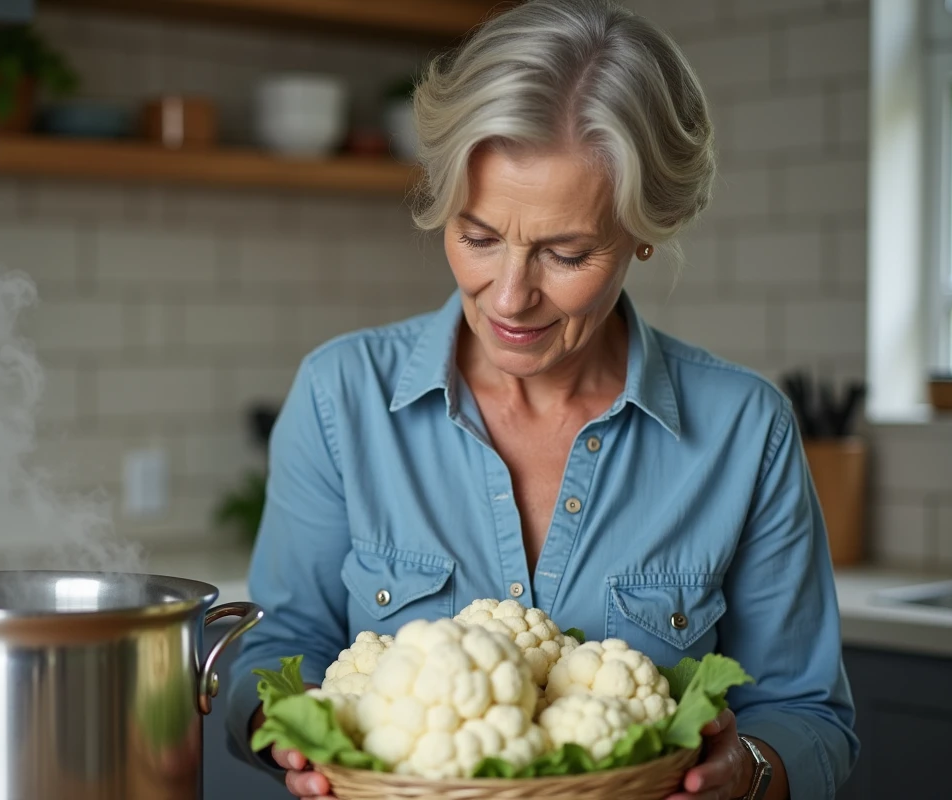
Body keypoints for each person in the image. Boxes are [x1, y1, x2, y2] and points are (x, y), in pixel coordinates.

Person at [224, 1, 859, 798]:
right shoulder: (339, 396)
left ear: (644, 230)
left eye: (566, 253)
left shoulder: (744, 431)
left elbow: (809, 716)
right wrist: (285, 728)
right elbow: (279, 646)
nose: (510, 297)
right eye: (479, 236)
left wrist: (752, 772)